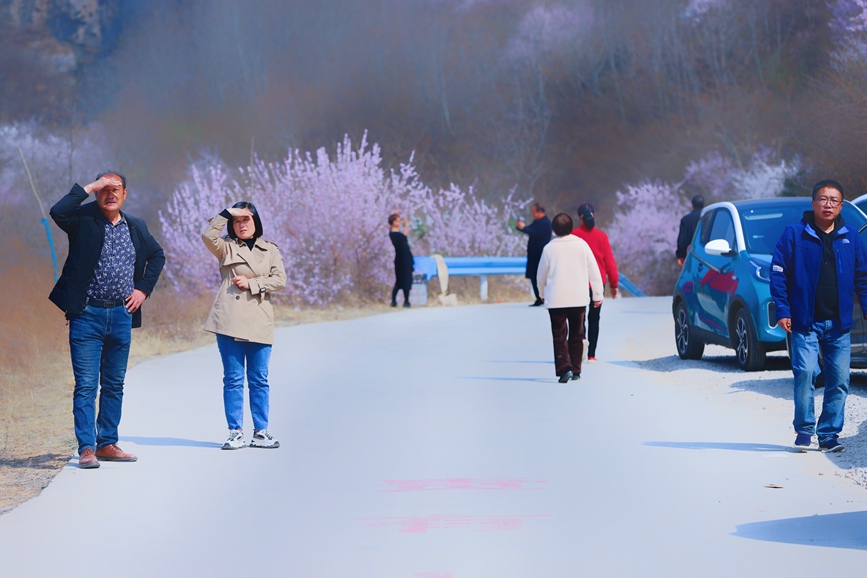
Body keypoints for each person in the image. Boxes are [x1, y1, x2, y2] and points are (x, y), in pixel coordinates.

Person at [49, 172, 165, 469]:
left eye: (115, 189)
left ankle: (107, 443)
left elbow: (157, 256)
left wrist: (143, 289)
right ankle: (86, 448)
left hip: (121, 315)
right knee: (87, 384)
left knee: (114, 383)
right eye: (103, 189)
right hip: (87, 314)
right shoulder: (83, 219)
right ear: (97, 193)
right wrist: (88, 188)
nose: (109, 194)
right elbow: (58, 212)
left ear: (125, 193)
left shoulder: (135, 226)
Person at [770, 179, 867, 453]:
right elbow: (778, 274)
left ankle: (828, 435)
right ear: (813, 203)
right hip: (805, 322)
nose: (828, 204)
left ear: (840, 205)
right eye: (823, 199)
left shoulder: (851, 236)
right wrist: (783, 310)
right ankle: (804, 430)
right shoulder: (794, 234)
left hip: (839, 324)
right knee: (806, 373)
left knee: (839, 382)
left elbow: (863, 276)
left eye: (834, 200)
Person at [202, 202, 287, 450]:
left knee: (259, 379)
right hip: (229, 319)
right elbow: (208, 235)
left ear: (256, 222)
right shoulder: (225, 247)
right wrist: (228, 213)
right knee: (233, 379)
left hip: (260, 317)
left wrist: (252, 283)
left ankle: (261, 431)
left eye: (246, 219)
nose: (242, 225)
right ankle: (235, 431)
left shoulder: (269, 249)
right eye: (237, 221)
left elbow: (280, 279)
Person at [538, 213, 604, 382]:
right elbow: (594, 272)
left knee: (559, 335)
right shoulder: (582, 245)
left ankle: (564, 368)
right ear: (571, 227)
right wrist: (597, 294)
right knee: (577, 334)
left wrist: (542, 293)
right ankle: (576, 370)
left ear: (554, 229)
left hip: (556, 299)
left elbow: (541, 275)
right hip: (578, 298)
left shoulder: (549, 248)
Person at [572, 203, 618, 362]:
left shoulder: (573, 236)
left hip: (579, 282)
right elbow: (609, 262)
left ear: (579, 218)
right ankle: (591, 355)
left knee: (579, 317)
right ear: (594, 215)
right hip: (597, 283)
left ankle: (581, 343)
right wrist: (613, 284)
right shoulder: (602, 236)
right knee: (594, 318)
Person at [516, 203, 552, 306]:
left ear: (540, 212)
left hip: (540, 254)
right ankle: (539, 298)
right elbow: (530, 230)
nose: (532, 214)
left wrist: (524, 228)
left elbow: (535, 232)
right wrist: (520, 227)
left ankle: (544, 297)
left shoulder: (545, 223)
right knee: (534, 276)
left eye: (534, 212)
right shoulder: (537, 222)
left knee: (541, 276)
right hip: (533, 254)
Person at [388, 212, 414, 307]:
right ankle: (395, 301)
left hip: (405, 258)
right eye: (398, 221)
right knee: (400, 280)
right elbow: (403, 238)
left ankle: (406, 301)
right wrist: (406, 226)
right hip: (401, 259)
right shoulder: (394, 234)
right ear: (393, 222)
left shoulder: (397, 233)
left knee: (406, 279)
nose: (400, 222)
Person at [676, 195, 705, 266]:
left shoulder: (685, 220)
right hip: (706, 257)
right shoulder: (709, 218)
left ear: (692, 205)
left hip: (691, 256)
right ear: (703, 206)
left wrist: (680, 256)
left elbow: (682, 241)